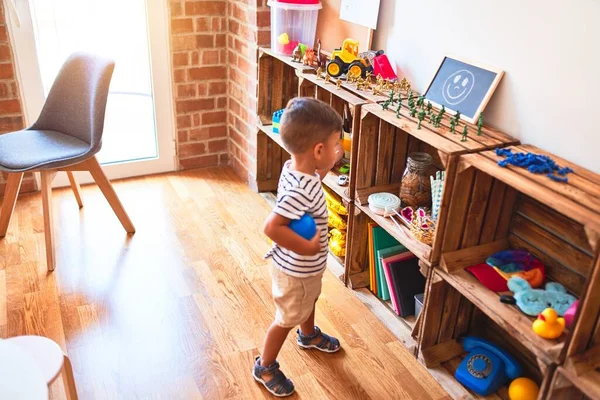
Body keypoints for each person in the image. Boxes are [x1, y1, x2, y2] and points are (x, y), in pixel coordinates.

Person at [254, 97, 343, 397]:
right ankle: (265, 366)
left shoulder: (296, 169)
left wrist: (329, 164)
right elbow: (272, 226)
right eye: (335, 145)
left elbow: (313, 180)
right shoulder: (299, 189)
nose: (338, 150)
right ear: (318, 151)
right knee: (286, 318)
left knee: (311, 298)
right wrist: (306, 246)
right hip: (295, 270)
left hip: (306, 271)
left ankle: (308, 336)